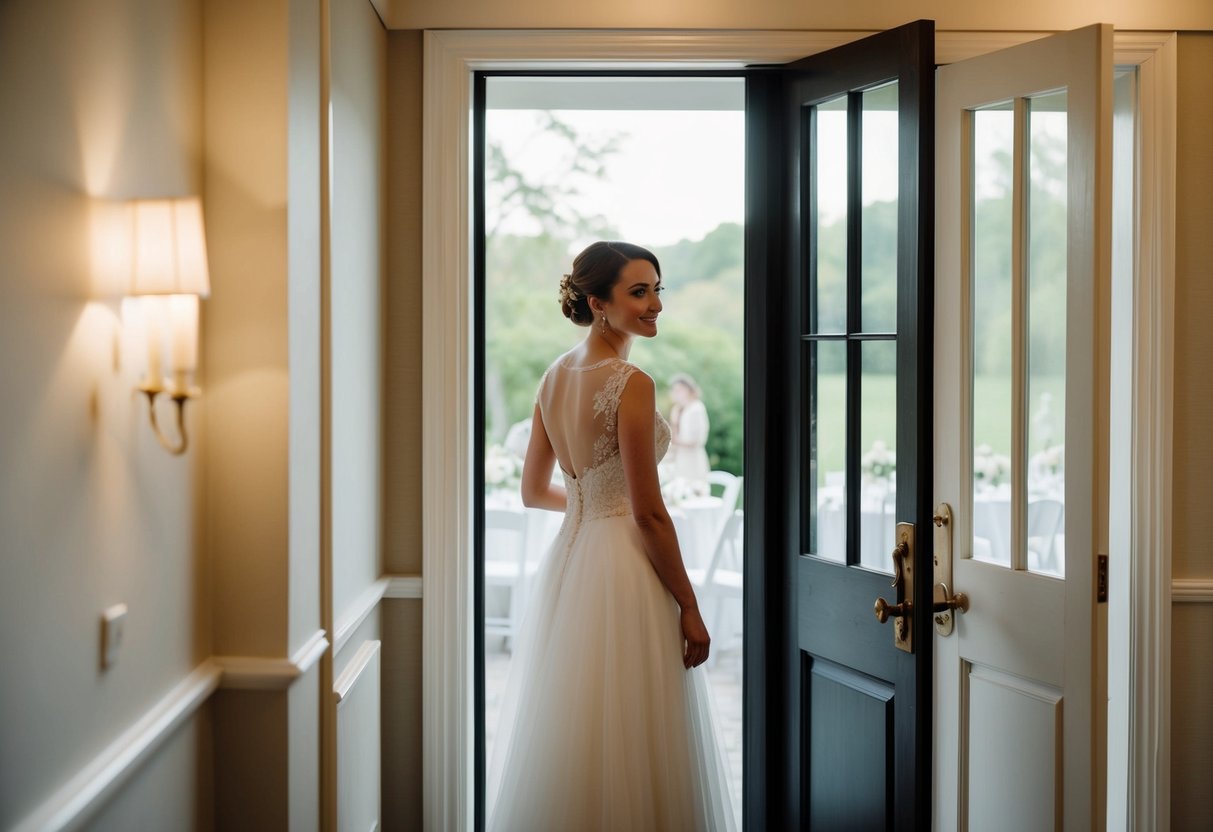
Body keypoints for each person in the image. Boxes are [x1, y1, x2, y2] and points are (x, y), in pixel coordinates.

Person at [486, 241, 735, 831]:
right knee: (634, 722)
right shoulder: (631, 381)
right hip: (624, 566)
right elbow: (649, 514)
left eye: (657, 290)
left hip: (572, 562)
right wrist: (691, 606)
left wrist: (592, 508)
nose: (655, 305)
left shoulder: (554, 375)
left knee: (579, 722)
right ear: (598, 302)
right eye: (638, 292)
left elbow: (533, 491)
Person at [667, 373, 712, 495]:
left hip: (693, 462)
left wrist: (675, 433)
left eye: (679, 390)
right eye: (675, 390)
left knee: (695, 496)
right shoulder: (680, 409)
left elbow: (696, 441)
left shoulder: (696, 408)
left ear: (689, 390)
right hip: (681, 462)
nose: (677, 393)